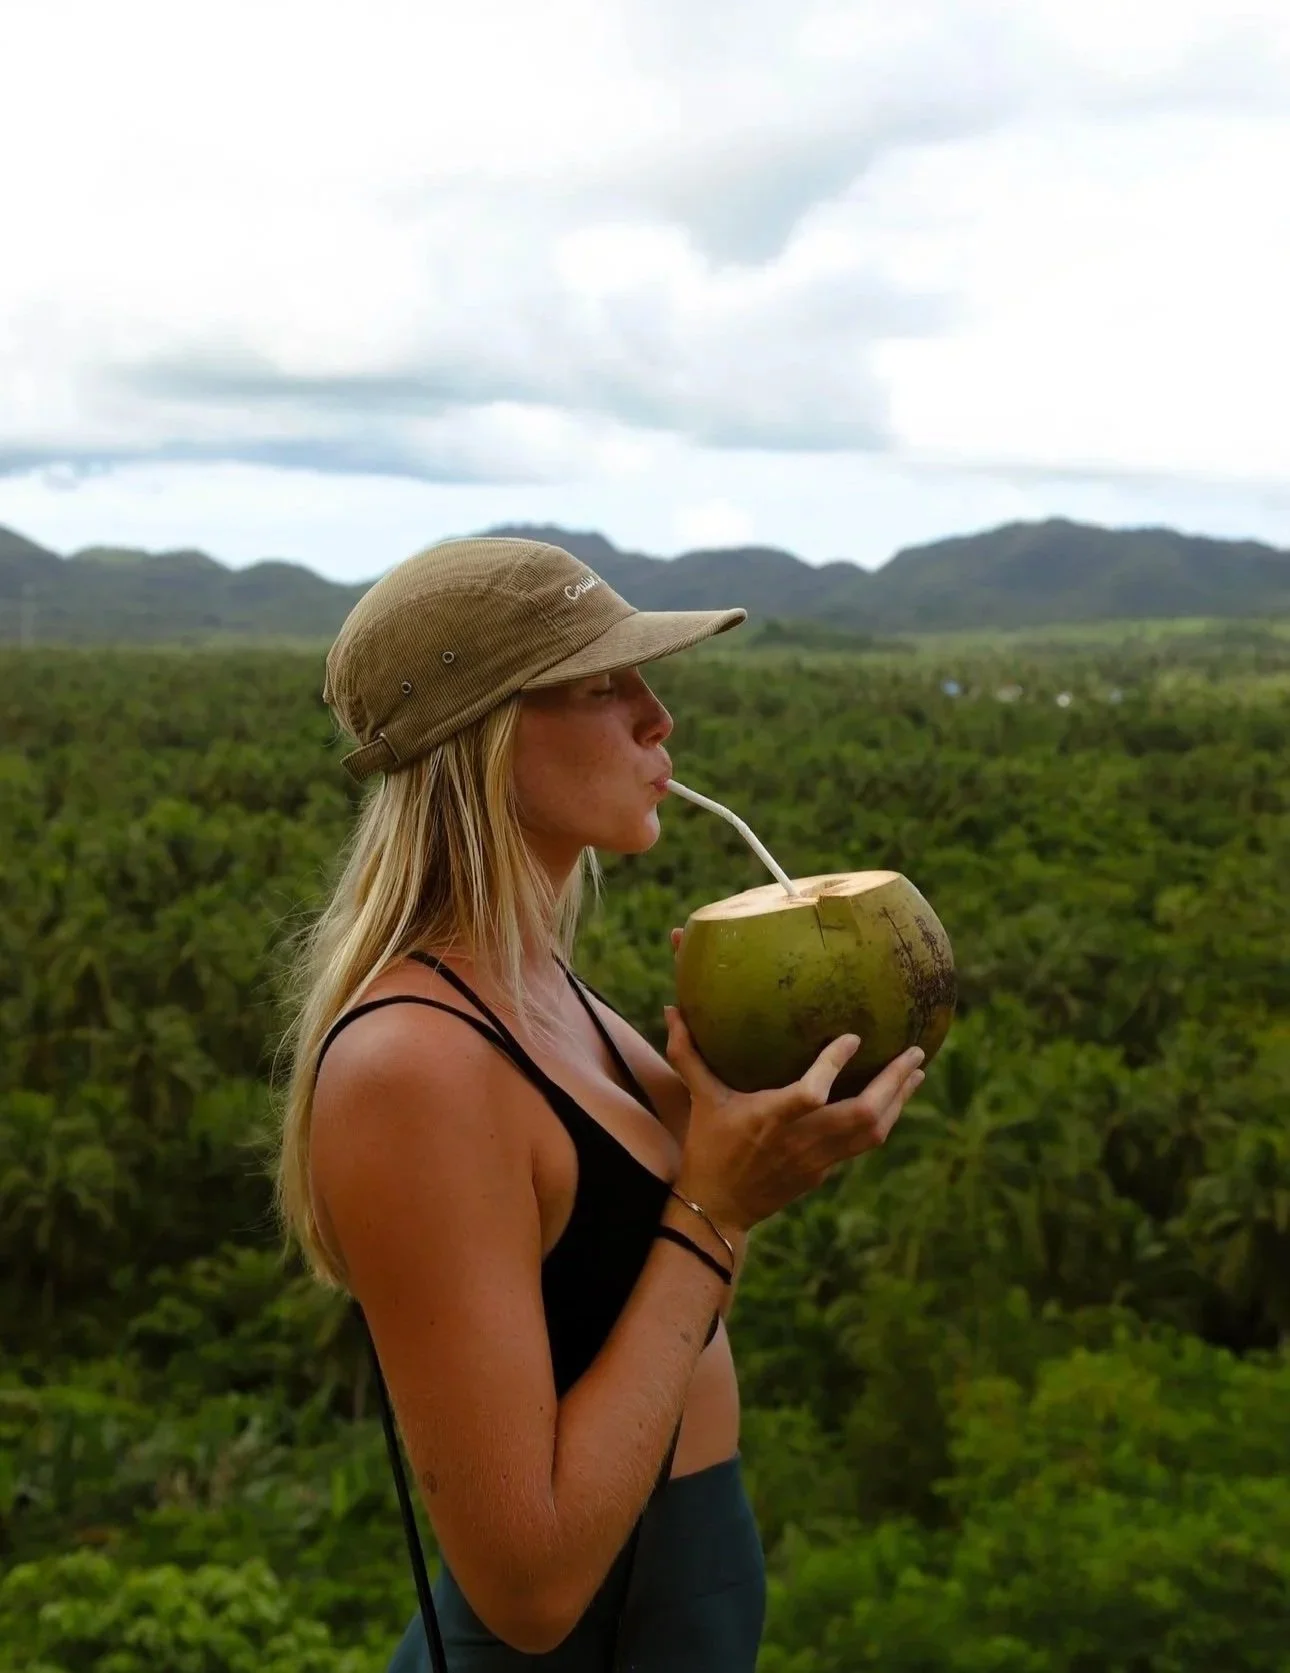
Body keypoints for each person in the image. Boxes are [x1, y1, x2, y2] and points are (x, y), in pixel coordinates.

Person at [272, 536, 926, 1671]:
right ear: (481, 736)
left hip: (683, 1603)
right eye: (602, 684)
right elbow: (528, 1589)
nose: (658, 716)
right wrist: (721, 1203)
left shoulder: (548, 990)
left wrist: (762, 1130)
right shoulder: (412, 1066)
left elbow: (649, 1288)